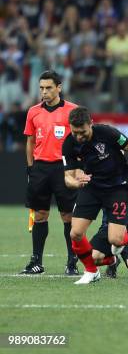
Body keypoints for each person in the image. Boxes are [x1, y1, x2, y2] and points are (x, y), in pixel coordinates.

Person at [63, 107, 128, 284]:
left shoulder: (107, 132)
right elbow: (68, 177)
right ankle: (92, 271)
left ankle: (127, 255)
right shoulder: (69, 143)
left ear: (91, 124)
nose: (79, 137)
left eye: (82, 132)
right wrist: (77, 182)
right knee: (75, 233)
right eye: (75, 132)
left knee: (116, 240)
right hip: (91, 187)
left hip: (116, 188)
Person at [21, 70, 79, 276]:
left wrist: (77, 168)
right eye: (41, 88)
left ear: (59, 88)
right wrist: (31, 168)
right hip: (40, 168)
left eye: (48, 88)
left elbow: (81, 141)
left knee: (68, 216)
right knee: (40, 215)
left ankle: (72, 261)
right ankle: (36, 261)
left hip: (64, 168)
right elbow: (30, 142)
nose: (44, 92)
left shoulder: (73, 111)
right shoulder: (33, 112)